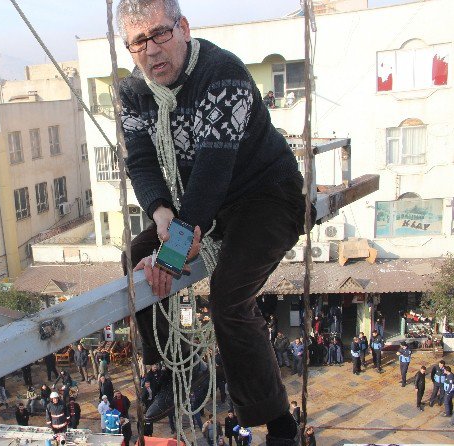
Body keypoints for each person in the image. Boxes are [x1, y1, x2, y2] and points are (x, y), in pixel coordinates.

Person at [117, 0, 309, 442]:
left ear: (183, 28)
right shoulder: (133, 93)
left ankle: (278, 420)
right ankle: (170, 368)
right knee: (136, 256)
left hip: (266, 196)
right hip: (205, 204)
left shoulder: (224, 75)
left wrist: (175, 246)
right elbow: (142, 162)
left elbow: (212, 170)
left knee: (228, 297)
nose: (152, 51)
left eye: (160, 34)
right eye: (138, 41)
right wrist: (163, 215)